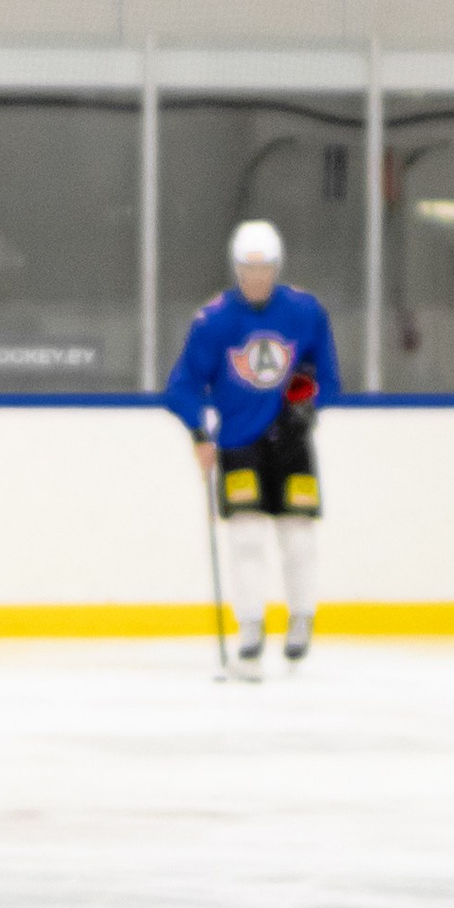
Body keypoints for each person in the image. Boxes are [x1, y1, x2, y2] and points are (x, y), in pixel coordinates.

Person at [162, 218, 343, 666]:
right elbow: (181, 387)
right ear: (236, 269)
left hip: (291, 439)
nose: (256, 279)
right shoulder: (214, 321)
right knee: (245, 537)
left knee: (297, 535)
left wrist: (310, 400)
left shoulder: (306, 312)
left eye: (264, 269)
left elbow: (331, 378)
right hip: (238, 443)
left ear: (277, 268)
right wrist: (199, 433)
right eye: (248, 269)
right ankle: (250, 624)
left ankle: (301, 616)